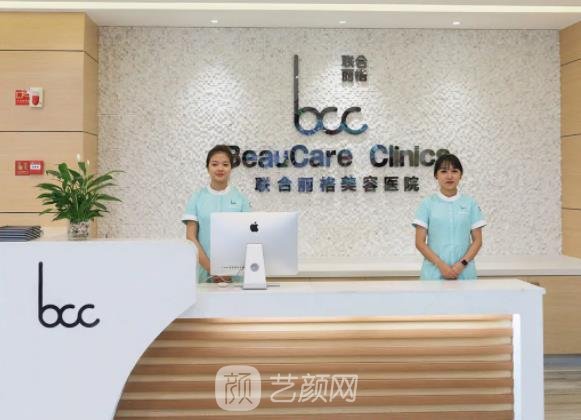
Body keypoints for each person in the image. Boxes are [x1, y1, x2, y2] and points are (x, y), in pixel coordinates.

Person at [182, 145, 251, 283]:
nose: (220, 168)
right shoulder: (197, 198)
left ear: (231, 168)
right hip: (204, 273)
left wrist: (229, 271)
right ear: (207, 168)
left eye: (225, 164)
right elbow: (191, 237)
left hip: (235, 275)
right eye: (214, 164)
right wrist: (212, 269)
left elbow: (248, 237)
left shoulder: (241, 199)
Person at [412, 154, 486, 280]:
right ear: (436, 175)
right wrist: (441, 266)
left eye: (454, 171)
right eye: (444, 171)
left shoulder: (470, 204)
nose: (449, 176)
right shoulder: (427, 204)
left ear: (461, 175)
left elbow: (477, 241)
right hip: (434, 274)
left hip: (464, 273)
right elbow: (419, 242)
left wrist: (461, 265)